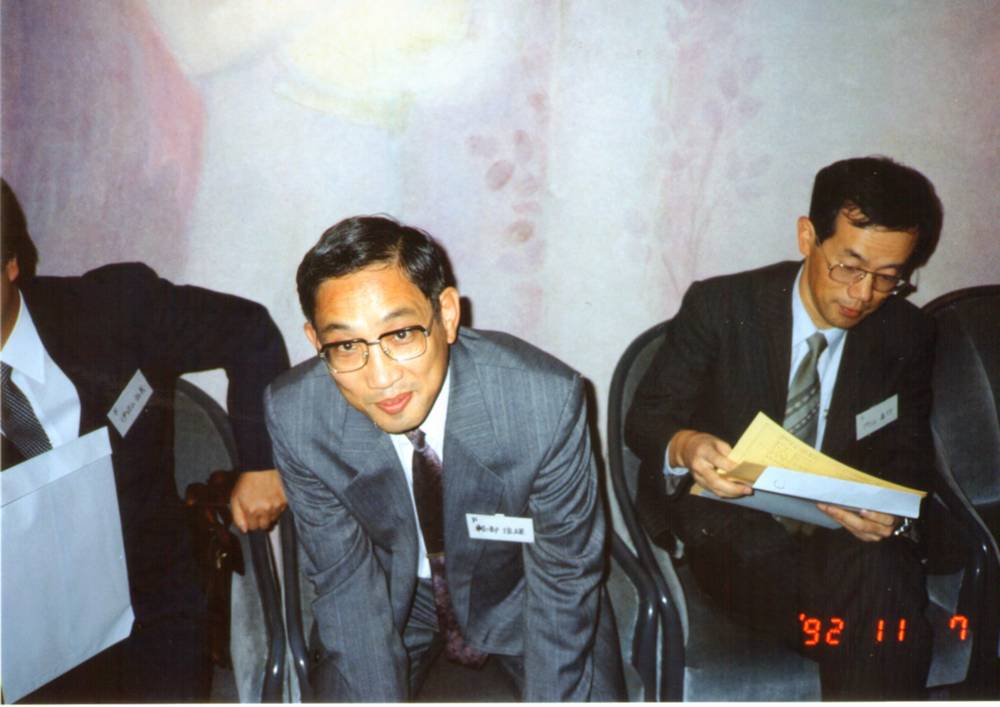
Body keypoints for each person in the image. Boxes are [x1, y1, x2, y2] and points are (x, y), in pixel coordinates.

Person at [265, 215, 624, 701]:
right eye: (347, 345)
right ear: (316, 342)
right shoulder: (298, 416)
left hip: (524, 591)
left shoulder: (542, 404)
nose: (382, 379)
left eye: (401, 335)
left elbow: (563, 577)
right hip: (392, 601)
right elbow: (344, 584)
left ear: (448, 315)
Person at [625, 156, 942, 699]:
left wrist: (888, 508)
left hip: (842, 536)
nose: (862, 295)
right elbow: (648, 417)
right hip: (735, 536)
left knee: (878, 575)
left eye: (888, 278)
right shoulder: (721, 306)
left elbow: (908, 450)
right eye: (849, 267)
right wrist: (687, 445)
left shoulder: (905, 332)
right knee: (882, 606)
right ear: (807, 237)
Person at [0, 178, 290, 702]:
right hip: (21, 642)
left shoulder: (113, 308)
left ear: (11, 263)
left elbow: (249, 331)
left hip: (152, 609)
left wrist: (262, 463)